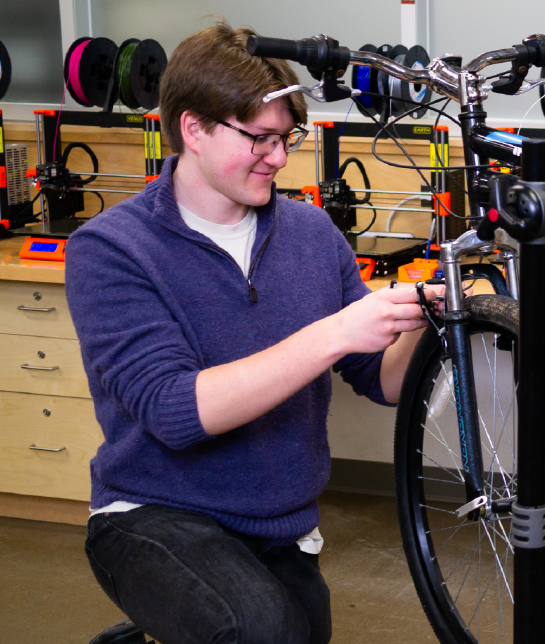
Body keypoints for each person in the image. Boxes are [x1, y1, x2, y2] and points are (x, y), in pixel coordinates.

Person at [67, 22, 443, 644]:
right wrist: (335, 332)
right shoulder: (111, 250)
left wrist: (428, 320)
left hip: (280, 526)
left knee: (284, 631)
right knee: (258, 630)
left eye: (286, 139)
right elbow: (176, 411)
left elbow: (382, 381)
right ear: (193, 128)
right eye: (260, 139)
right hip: (154, 514)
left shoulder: (311, 234)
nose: (277, 157)